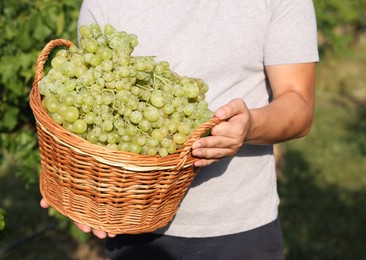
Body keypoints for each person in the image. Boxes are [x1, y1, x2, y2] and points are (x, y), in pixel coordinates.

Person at [41, 0, 319, 259]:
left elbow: (300, 105)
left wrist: (250, 127)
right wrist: (77, 185)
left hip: (239, 226)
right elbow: (87, 111)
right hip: (132, 220)